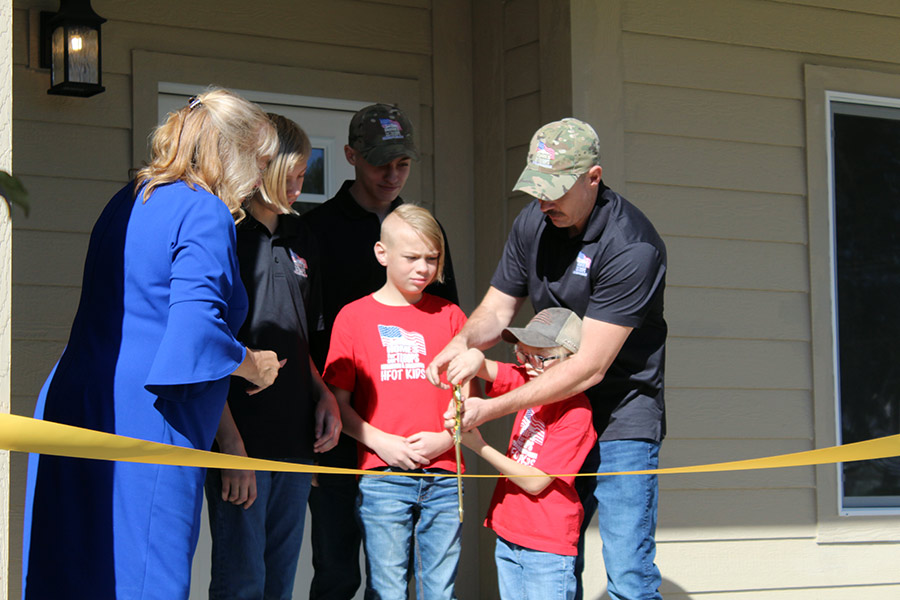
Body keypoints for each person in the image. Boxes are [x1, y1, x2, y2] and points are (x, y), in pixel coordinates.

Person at [21, 88, 285, 600]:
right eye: (260, 159)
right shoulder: (204, 210)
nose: (261, 176)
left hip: (73, 400)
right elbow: (197, 333)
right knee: (144, 580)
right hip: (148, 416)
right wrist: (253, 364)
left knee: (68, 574)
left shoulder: (129, 197)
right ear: (230, 151)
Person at [427, 118, 667, 600]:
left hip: (619, 414)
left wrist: (492, 409)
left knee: (628, 572)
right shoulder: (533, 223)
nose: (543, 202)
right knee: (548, 553)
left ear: (593, 178)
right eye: (536, 188)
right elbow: (497, 309)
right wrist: (462, 343)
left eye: (554, 190)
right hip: (552, 411)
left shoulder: (631, 246)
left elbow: (590, 367)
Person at [301, 103, 458, 600]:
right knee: (337, 571)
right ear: (351, 156)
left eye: (402, 164)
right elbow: (299, 329)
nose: (392, 175)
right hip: (336, 423)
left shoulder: (423, 228)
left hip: (412, 437)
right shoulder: (316, 228)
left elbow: (448, 330)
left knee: (398, 578)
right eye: (380, 163)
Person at [204, 113, 342, 600]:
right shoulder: (224, 231)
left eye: (305, 175)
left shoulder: (303, 236)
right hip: (241, 438)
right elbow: (207, 344)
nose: (300, 187)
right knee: (242, 584)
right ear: (262, 167)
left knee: (279, 585)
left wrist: (324, 395)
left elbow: (301, 337)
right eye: (292, 175)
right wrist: (231, 447)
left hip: (296, 442)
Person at [323, 205, 469, 600]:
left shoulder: (452, 316)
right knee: (387, 589)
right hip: (382, 476)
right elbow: (337, 406)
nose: (423, 268)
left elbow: (467, 399)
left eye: (432, 258)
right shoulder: (353, 317)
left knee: (439, 590)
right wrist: (381, 442)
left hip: (444, 474)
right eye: (411, 257)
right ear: (381, 253)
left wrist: (446, 438)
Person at [450, 307, 597, 600]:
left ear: (571, 360)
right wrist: (473, 356)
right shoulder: (531, 381)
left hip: (546, 543)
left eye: (540, 358)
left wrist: (478, 446)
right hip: (509, 532)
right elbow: (488, 368)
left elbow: (536, 481)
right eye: (523, 355)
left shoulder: (576, 412)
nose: (529, 366)